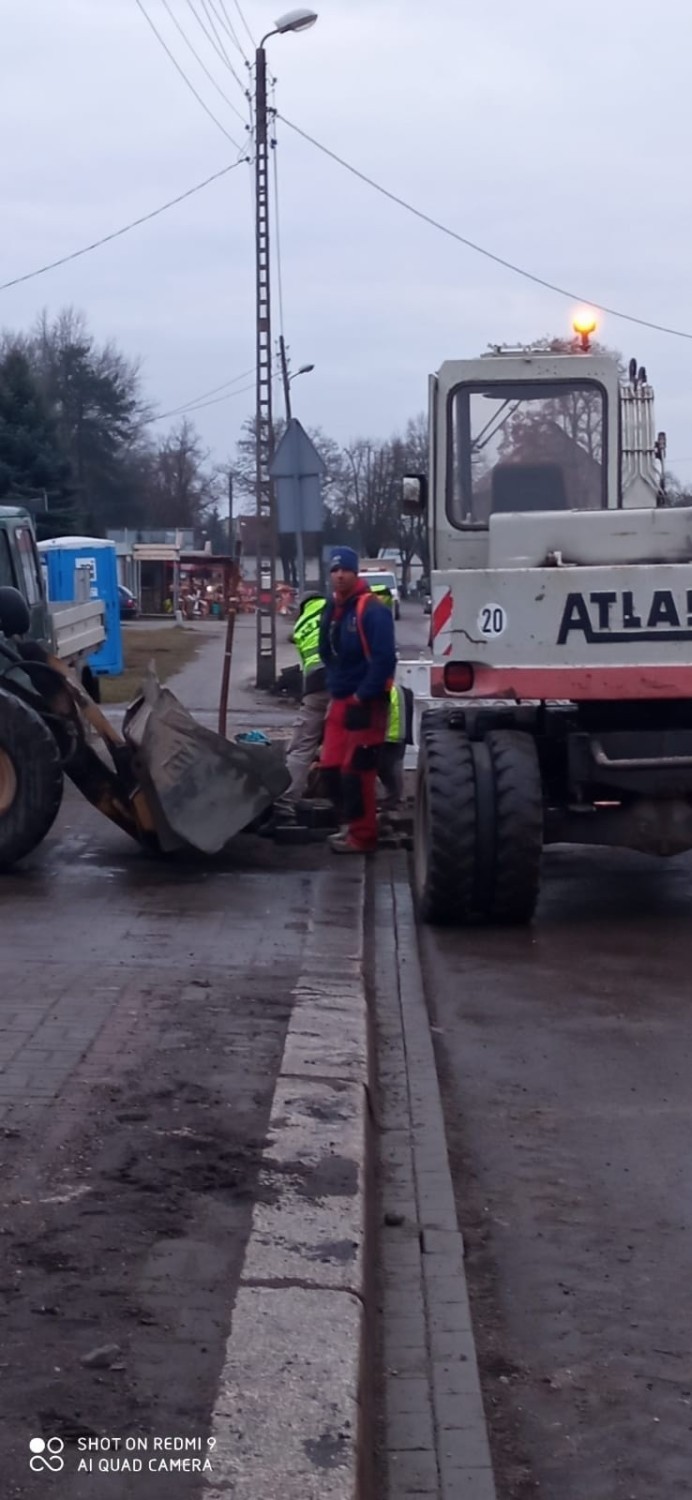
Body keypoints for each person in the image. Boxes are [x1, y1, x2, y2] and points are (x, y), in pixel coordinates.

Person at [319, 546, 397, 854]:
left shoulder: (372, 610)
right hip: (340, 701)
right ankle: (350, 825)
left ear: (356, 573)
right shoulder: (333, 609)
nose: (339, 576)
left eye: (345, 571)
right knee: (330, 769)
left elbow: (384, 659)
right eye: (335, 571)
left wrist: (362, 694)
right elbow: (327, 650)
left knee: (357, 771)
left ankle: (363, 837)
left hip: (366, 704)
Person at [273, 591, 329, 823]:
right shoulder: (333, 608)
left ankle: (284, 804)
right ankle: (354, 809)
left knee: (301, 747)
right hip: (342, 682)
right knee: (351, 743)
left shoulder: (300, 627)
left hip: (314, 688)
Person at [378, 681, 414, 812]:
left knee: (387, 767)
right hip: (397, 734)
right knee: (392, 766)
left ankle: (394, 799)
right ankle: (394, 799)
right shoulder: (400, 690)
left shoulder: (386, 689)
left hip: (390, 735)